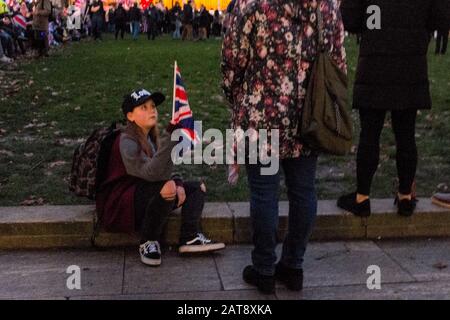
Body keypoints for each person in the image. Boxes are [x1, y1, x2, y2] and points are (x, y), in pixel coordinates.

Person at [221, 0, 346, 294]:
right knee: (304, 190)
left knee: (264, 193)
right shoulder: (326, 6)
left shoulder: (250, 5)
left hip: (261, 114)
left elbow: (232, 59)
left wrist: (236, 95)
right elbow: (338, 60)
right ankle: (293, 265)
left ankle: (264, 268)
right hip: (309, 114)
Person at [337, 0, 450, 217]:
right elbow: (441, 17)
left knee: (369, 134)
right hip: (410, 64)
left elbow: (349, 19)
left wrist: (375, 22)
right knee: (406, 134)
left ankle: (362, 197)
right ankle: (405, 195)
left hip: (374, 63)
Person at [95, 89, 225, 266]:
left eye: (153, 106)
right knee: (167, 188)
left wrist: (178, 182)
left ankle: (190, 237)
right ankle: (148, 241)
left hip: (143, 194)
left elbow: (162, 169)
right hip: (120, 206)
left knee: (197, 188)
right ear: (130, 116)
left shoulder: (148, 137)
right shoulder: (126, 141)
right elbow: (152, 174)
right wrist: (172, 136)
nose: (152, 110)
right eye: (144, 107)